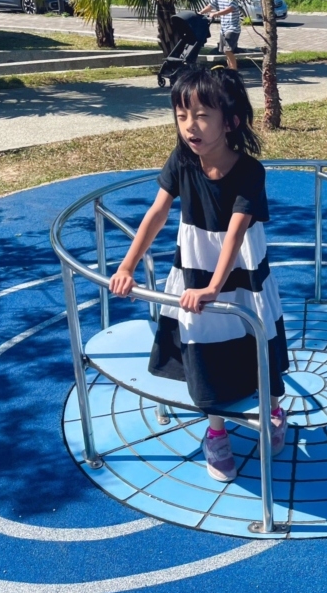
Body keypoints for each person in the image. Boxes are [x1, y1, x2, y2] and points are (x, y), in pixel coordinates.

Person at [109, 65, 289, 482]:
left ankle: (274, 408)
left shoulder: (249, 171)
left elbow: (235, 234)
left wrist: (214, 286)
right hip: (195, 266)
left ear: (231, 121)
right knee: (205, 351)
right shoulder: (182, 161)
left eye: (203, 116)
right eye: (182, 116)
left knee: (257, 345)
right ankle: (216, 431)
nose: (191, 126)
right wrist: (127, 265)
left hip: (240, 272)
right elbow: (157, 213)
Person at [199, 0, 242, 70]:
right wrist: (201, 12)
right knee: (226, 52)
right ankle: (231, 70)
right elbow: (211, 5)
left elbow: (231, 8)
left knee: (228, 50)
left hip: (233, 27)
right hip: (223, 28)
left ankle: (234, 72)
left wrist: (216, 13)